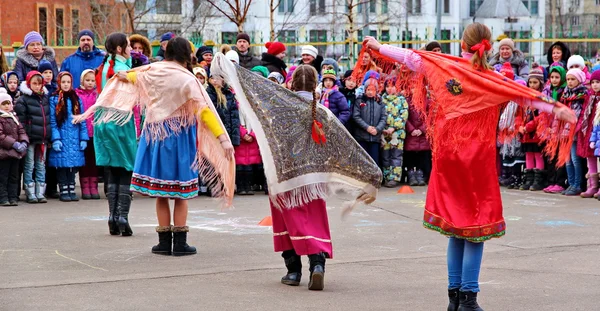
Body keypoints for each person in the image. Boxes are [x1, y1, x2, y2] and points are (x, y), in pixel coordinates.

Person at [363, 22, 575, 310]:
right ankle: (468, 298)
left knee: (455, 228)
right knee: (475, 227)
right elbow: (524, 95)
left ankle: (454, 297)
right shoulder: (490, 78)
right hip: (476, 159)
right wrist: (558, 109)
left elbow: (411, 58)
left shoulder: (445, 67)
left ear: (461, 45)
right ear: (488, 46)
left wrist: (378, 46)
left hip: (447, 156)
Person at [75, 37, 235, 256]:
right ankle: (179, 243)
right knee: (180, 194)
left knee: (161, 193)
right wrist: (222, 138)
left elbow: (128, 76)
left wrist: (124, 75)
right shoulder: (188, 79)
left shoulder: (151, 70)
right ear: (186, 55)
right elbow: (204, 110)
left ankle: (162, 242)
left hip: (154, 135)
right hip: (179, 136)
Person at [93, 32, 136, 236]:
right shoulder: (121, 70)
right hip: (120, 122)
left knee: (113, 169)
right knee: (126, 167)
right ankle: (122, 217)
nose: (131, 49)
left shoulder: (104, 68)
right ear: (120, 49)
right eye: (128, 46)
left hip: (102, 122)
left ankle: (112, 216)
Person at [48, 72, 89, 202]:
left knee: (73, 166)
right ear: (59, 82)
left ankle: (71, 188)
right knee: (62, 165)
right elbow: (53, 121)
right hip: (62, 137)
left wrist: (83, 138)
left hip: (75, 137)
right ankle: (64, 189)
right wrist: (56, 139)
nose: (66, 85)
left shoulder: (76, 99)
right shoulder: (54, 99)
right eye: (63, 82)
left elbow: (82, 119)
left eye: (68, 82)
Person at [15, 71, 51, 203]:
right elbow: (22, 122)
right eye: (34, 84)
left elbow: (48, 118)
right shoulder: (23, 100)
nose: (37, 86)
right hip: (30, 138)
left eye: (39, 84)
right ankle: (30, 191)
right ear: (29, 84)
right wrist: (25, 137)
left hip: (42, 138)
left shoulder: (44, 99)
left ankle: (40, 191)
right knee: (29, 164)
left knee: (41, 164)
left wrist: (48, 135)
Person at [517, 64, 546, 191]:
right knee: (528, 155)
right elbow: (518, 114)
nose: (532, 85)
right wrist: (519, 126)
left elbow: (541, 117)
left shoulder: (542, 98)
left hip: (536, 133)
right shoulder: (525, 98)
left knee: (537, 155)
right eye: (530, 82)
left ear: (540, 83)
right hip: (526, 134)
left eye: (535, 82)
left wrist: (528, 127)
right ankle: (528, 178)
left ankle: (538, 179)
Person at [560, 68, 588, 196]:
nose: (570, 82)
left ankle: (577, 184)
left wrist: (575, 129)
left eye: (573, 79)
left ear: (579, 80)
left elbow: (581, 114)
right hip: (564, 131)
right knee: (567, 160)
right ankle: (570, 184)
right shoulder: (565, 94)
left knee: (575, 159)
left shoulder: (582, 95)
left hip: (575, 131)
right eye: (568, 79)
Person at [542, 65, 568, 194]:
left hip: (560, 127)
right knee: (550, 156)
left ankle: (559, 182)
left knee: (559, 156)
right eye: (552, 77)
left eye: (557, 77)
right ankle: (551, 181)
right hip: (549, 127)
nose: (554, 80)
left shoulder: (564, 91)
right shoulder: (547, 91)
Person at [0, 89, 28, 206]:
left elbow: (21, 130)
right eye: (4, 104)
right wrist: (13, 144)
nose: (7, 106)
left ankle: (13, 197)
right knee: (3, 177)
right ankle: (3, 197)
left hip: (15, 153)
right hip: (4, 153)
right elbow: (1, 136)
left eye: (9, 103)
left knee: (14, 176)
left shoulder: (14, 118)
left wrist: (24, 142)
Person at [76, 69, 100, 199]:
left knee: (94, 160)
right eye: (87, 80)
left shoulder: (98, 95)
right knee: (84, 160)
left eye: (92, 80)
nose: (90, 83)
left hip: (95, 132)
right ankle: (85, 185)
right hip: (83, 132)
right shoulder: (78, 95)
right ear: (82, 81)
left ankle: (94, 185)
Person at [380, 77, 409, 188]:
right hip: (384, 133)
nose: (390, 89)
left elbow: (403, 115)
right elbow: (379, 115)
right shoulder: (381, 99)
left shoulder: (402, 100)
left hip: (397, 133)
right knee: (385, 155)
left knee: (396, 155)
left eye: (392, 86)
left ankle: (394, 177)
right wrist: (383, 128)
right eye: (387, 86)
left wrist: (393, 127)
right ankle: (386, 176)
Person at [352, 76, 386, 166]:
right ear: (365, 90)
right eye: (368, 90)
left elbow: (383, 117)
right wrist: (367, 127)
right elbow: (356, 116)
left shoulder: (380, 102)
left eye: (373, 90)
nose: (370, 92)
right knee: (362, 162)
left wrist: (377, 129)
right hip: (361, 137)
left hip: (375, 137)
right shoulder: (359, 100)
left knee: (374, 161)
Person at [577, 69, 600, 197]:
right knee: (590, 157)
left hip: (598, 132)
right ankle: (592, 186)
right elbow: (584, 113)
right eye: (593, 82)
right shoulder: (590, 97)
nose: (595, 85)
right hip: (589, 131)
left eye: (598, 82)